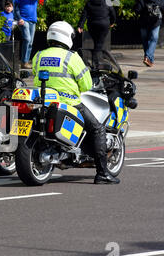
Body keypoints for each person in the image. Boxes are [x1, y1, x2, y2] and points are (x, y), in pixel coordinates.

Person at [31, 21, 120, 184]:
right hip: (69, 102)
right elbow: (86, 85)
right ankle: (102, 173)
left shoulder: (38, 55)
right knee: (98, 129)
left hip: (43, 101)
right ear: (66, 37)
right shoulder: (71, 57)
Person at [77, 0, 116, 69]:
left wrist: (80, 25)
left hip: (92, 24)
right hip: (104, 24)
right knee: (99, 44)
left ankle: (96, 61)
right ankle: (96, 63)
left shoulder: (90, 1)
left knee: (96, 42)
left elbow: (84, 14)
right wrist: (112, 22)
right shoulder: (107, 1)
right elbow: (113, 13)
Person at [134, 0, 164, 67]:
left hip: (144, 21)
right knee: (153, 39)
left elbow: (137, 10)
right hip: (156, 21)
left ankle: (148, 58)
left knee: (145, 40)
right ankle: (148, 57)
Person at [14, 0, 42, 69]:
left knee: (30, 43)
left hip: (32, 20)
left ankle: (24, 62)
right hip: (23, 20)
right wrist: (19, 18)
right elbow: (16, 8)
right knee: (27, 39)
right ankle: (24, 61)